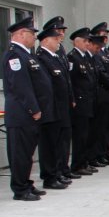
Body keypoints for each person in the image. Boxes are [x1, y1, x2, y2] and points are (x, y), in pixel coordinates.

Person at [1, 17, 45, 200]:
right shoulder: (14, 55)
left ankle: (26, 183)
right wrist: (33, 109)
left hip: (26, 113)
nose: (34, 37)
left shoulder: (26, 54)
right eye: (31, 34)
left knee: (27, 153)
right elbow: (21, 86)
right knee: (19, 153)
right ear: (20, 34)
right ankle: (20, 189)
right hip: (21, 113)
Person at [36, 28, 71, 189]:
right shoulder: (41, 58)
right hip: (50, 107)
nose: (59, 42)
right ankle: (49, 176)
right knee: (48, 144)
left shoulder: (55, 58)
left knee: (58, 142)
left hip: (59, 107)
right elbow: (44, 86)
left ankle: (56, 172)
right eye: (55, 39)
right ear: (46, 41)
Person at [89, 22, 109, 165]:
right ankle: (98, 154)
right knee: (100, 127)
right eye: (103, 34)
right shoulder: (96, 53)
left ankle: (107, 153)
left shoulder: (107, 52)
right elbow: (101, 72)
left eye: (107, 34)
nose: (106, 37)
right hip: (103, 92)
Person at [67, 27, 97, 176]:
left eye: (88, 41)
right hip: (79, 103)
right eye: (85, 41)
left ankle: (84, 162)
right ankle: (77, 164)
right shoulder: (72, 58)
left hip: (88, 102)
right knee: (79, 135)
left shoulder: (85, 58)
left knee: (86, 134)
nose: (87, 43)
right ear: (77, 41)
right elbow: (71, 82)